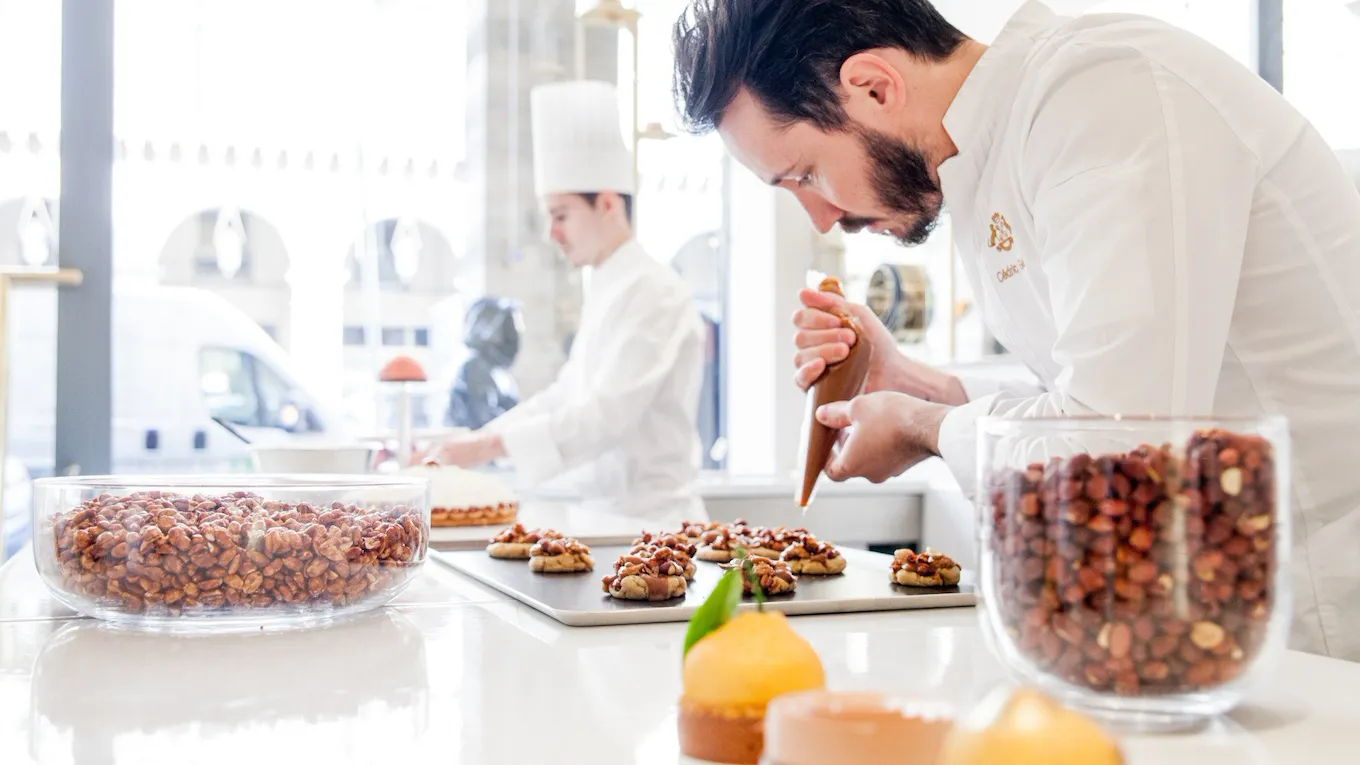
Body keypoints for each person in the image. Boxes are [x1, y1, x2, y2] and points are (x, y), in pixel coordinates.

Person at [672, 0, 1360, 660]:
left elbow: (1118, 445)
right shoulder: (987, 157)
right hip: (1224, 611)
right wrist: (913, 381)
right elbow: (1074, 387)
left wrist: (922, 427)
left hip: (1324, 619)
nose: (821, 218)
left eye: (806, 175)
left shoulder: (1104, 94)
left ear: (875, 87)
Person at [429, 80, 709, 528]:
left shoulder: (654, 291)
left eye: (561, 215)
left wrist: (486, 448)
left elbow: (605, 416)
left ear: (608, 204)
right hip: (604, 519)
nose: (552, 234)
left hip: (656, 526)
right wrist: (478, 439)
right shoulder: (608, 285)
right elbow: (566, 393)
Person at [445, 296, 524, 431]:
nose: (515, 338)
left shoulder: (498, 373)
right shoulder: (476, 368)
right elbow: (484, 420)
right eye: (509, 331)